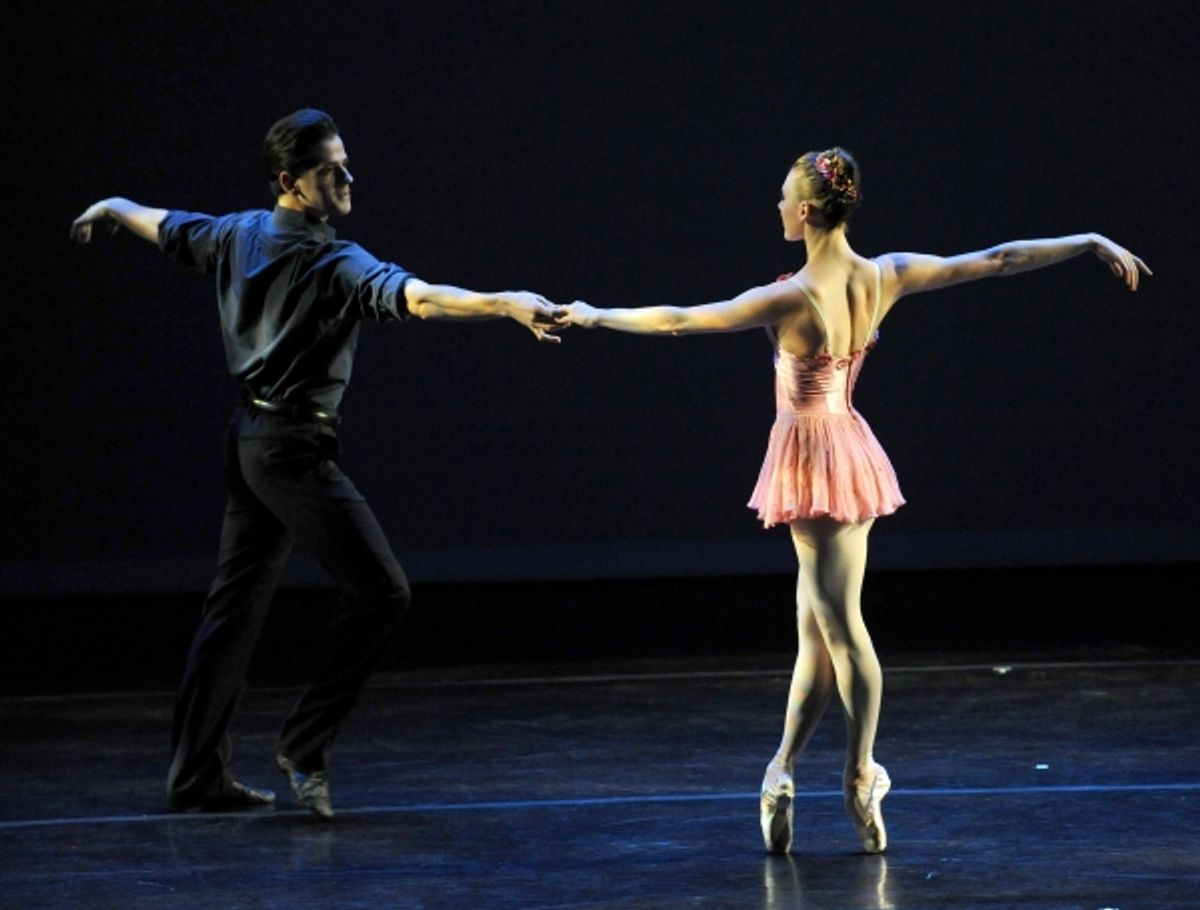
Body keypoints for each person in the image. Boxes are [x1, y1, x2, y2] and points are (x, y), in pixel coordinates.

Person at [564, 147, 1149, 854]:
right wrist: (1088, 240)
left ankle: (858, 772)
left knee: (839, 628)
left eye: (783, 197)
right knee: (816, 628)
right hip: (847, 447)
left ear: (806, 210)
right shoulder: (885, 275)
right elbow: (997, 259)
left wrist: (594, 316)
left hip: (815, 458)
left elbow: (681, 321)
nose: (777, 207)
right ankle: (781, 771)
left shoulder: (788, 296)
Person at [70, 108, 565, 819]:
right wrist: (507, 303)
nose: (347, 177)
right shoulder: (333, 260)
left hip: (248, 440)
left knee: (232, 611)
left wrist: (114, 208)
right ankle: (303, 744)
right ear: (291, 183)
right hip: (291, 449)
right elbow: (420, 299)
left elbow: (164, 223)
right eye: (331, 169)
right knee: (381, 592)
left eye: (345, 162)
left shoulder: (236, 233)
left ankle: (195, 778)